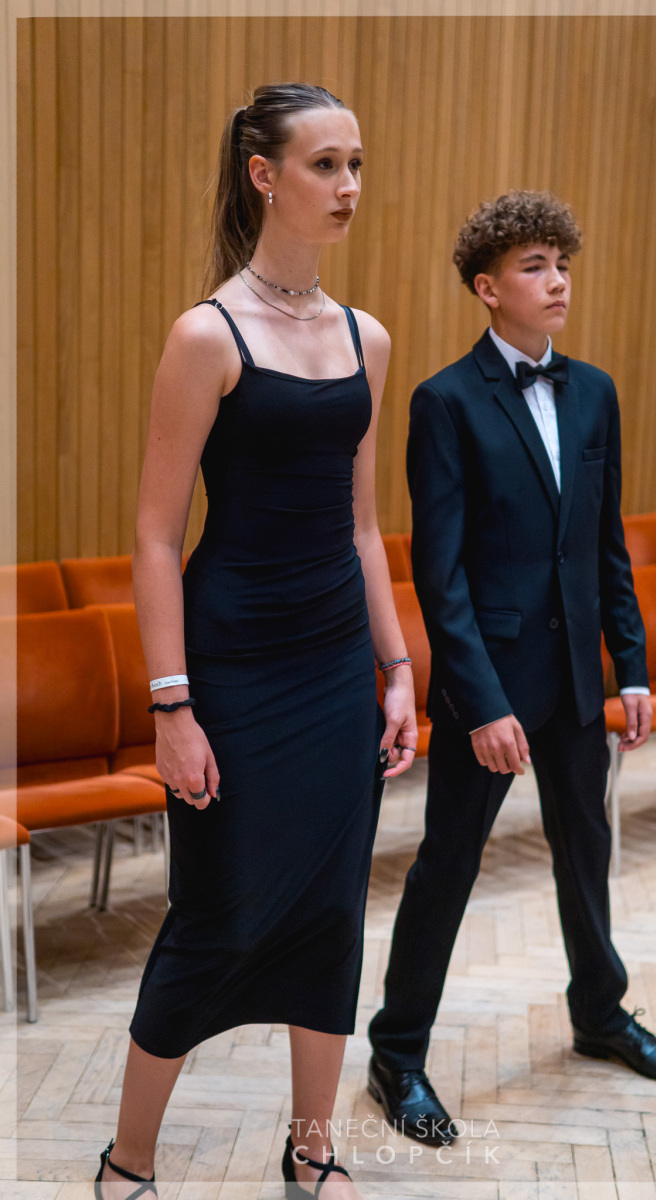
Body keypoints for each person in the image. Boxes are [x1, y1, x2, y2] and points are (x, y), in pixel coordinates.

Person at [94, 83, 417, 1200]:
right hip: (232, 669)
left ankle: (312, 1150)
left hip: (333, 671)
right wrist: (171, 706)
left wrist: (396, 670)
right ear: (263, 175)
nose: (349, 186)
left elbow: (362, 526)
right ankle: (128, 1159)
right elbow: (153, 534)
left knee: (330, 914)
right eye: (325, 164)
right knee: (216, 916)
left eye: (356, 164)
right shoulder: (207, 334)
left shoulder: (367, 339)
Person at [367, 190, 656, 1147]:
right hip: (491, 689)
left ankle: (600, 1013)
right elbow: (440, 577)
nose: (557, 282)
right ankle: (397, 1055)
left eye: (562, 264)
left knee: (585, 849)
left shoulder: (594, 391)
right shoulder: (444, 402)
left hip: (578, 684)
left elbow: (606, 544)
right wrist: (480, 704)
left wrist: (630, 668)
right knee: (448, 864)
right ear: (487, 288)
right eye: (533, 267)